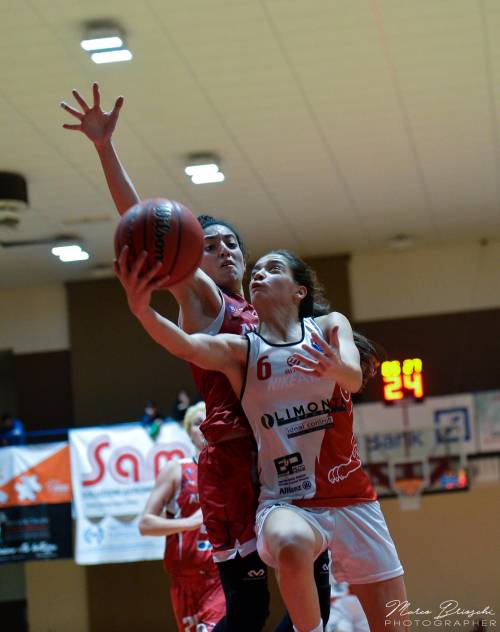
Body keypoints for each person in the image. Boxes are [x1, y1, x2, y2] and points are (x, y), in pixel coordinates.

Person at [61, 84, 331, 631]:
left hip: (283, 454)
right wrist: (105, 148)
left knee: (319, 595)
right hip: (236, 462)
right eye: (210, 245)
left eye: (232, 242)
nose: (225, 249)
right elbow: (144, 221)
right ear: (189, 259)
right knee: (250, 609)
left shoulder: (273, 314)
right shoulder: (205, 300)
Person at [114, 246, 408, 632]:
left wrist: (337, 367)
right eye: (256, 271)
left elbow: (352, 379)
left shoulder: (329, 327)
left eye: (272, 269)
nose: (258, 274)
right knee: (287, 541)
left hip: (354, 498)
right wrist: (141, 310)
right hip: (288, 502)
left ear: (298, 291)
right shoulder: (244, 350)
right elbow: (184, 345)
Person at [139, 402, 225, 631]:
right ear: (189, 432)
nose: (205, 427)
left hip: (219, 577)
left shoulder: (230, 469)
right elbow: (145, 524)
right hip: (184, 580)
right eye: (198, 423)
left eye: (209, 421)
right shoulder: (176, 470)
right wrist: (188, 522)